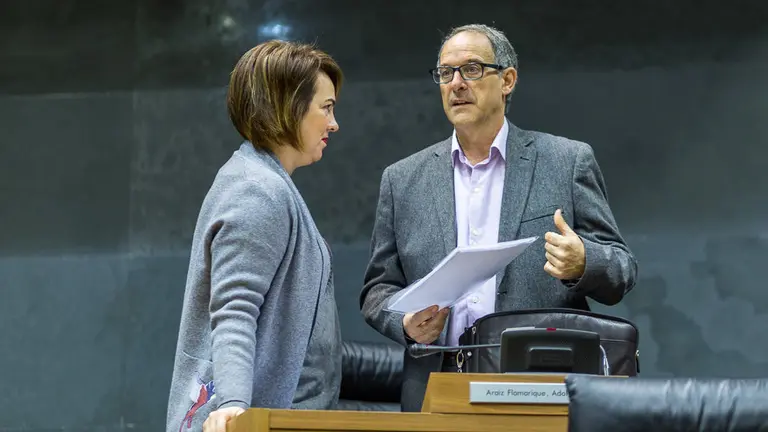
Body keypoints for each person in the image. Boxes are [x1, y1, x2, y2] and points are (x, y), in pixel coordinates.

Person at [359, 23, 638, 412]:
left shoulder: (566, 161)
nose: (456, 83)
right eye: (445, 73)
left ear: (507, 80)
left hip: (540, 386)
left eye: (472, 69)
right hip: (438, 391)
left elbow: (621, 269)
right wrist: (405, 323)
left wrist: (583, 262)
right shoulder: (403, 179)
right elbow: (378, 289)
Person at [166, 40, 344, 432]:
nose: (334, 123)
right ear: (289, 105)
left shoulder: (267, 181)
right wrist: (233, 405)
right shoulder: (257, 190)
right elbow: (235, 310)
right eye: (326, 108)